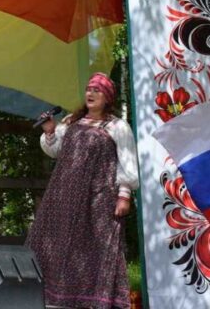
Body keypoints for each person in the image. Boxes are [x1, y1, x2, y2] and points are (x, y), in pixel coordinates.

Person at [26, 72, 139, 309]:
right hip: (65, 193)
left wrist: (124, 195)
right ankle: (54, 299)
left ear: (107, 97)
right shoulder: (71, 121)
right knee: (57, 241)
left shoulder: (117, 126)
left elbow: (127, 163)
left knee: (95, 245)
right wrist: (49, 130)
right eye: (89, 89)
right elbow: (55, 151)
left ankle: (96, 301)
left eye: (97, 90)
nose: (90, 93)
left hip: (99, 196)